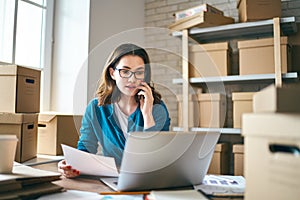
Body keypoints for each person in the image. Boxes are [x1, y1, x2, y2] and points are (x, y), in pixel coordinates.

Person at [58, 43, 171, 178]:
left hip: (149, 179)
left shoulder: (157, 109)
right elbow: (86, 148)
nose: (132, 79)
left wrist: (147, 115)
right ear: (113, 73)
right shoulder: (96, 108)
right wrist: (72, 165)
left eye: (139, 72)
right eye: (125, 71)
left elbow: (155, 157)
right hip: (112, 180)